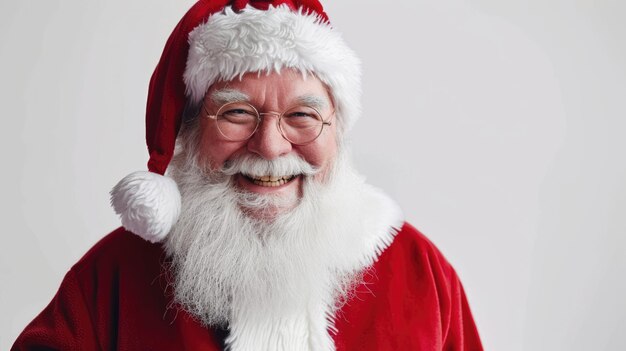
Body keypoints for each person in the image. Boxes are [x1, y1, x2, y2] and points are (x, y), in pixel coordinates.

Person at [12, 1, 483, 350]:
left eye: (302, 116)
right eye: (236, 113)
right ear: (191, 130)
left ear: (337, 130)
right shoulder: (111, 275)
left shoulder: (422, 275)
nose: (271, 146)